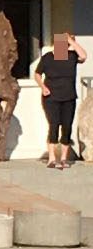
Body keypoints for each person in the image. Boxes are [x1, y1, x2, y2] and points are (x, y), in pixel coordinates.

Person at [36, 31, 83, 168]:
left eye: (66, 43)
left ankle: (63, 158)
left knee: (67, 127)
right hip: (51, 97)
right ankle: (52, 158)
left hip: (69, 97)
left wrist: (72, 41)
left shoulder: (72, 56)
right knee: (54, 125)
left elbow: (84, 55)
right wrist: (43, 87)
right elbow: (37, 74)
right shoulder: (48, 58)